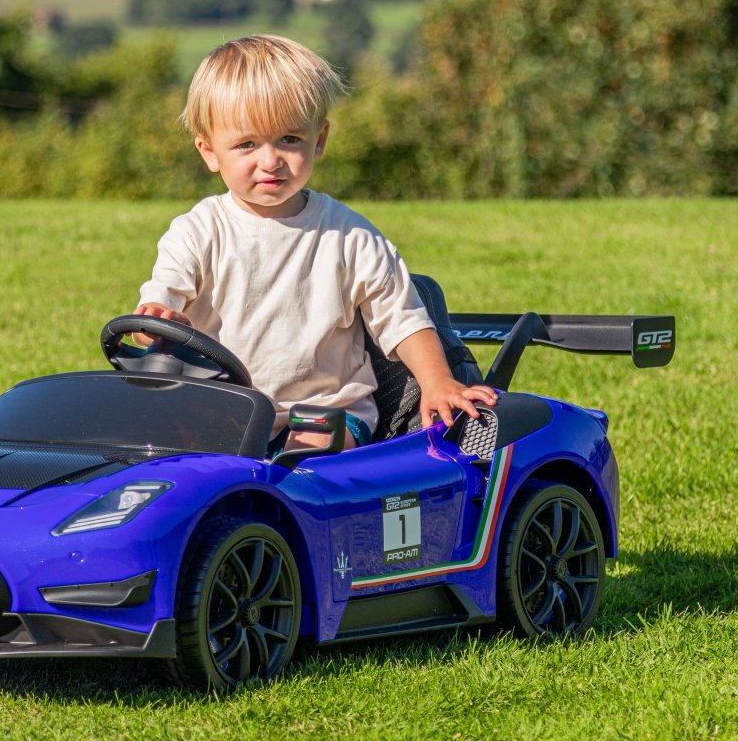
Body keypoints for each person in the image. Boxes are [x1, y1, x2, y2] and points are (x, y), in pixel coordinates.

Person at [135, 34, 497, 452]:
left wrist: (437, 382)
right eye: (247, 144)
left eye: (289, 139)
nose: (270, 161)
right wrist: (156, 322)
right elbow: (158, 309)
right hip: (223, 411)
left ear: (319, 139)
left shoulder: (349, 236)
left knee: (300, 456)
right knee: (156, 452)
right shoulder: (197, 231)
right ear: (210, 152)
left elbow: (403, 319)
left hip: (327, 409)